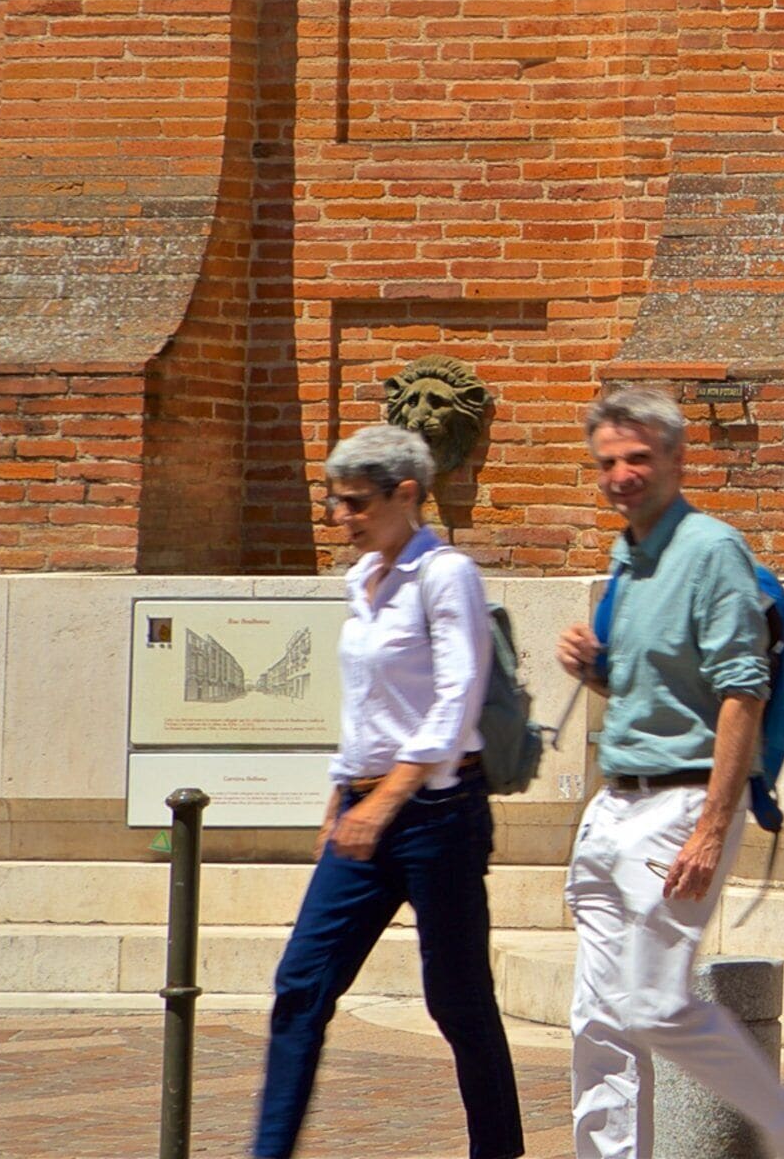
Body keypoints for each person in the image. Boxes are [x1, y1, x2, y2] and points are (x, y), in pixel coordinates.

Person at [550, 384, 784, 1159]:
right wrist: (597, 670)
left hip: (683, 803)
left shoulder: (712, 552)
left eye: (639, 457)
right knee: (599, 1020)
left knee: (654, 1004)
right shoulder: (627, 558)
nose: (622, 474)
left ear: (677, 458)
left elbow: (744, 691)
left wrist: (712, 827)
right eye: (608, 461)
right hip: (614, 805)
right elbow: (659, 692)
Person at [251, 424, 525, 1159]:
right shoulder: (360, 581)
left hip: (439, 813)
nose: (340, 517)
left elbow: (457, 697)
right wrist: (343, 798)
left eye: (355, 503)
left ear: (407, 493)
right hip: (364, 813)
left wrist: (386, 798)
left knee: (458, 1000)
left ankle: (498, 1150)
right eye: (334, 502)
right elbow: (366, 708)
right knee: (301, 985)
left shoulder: (446, 574)